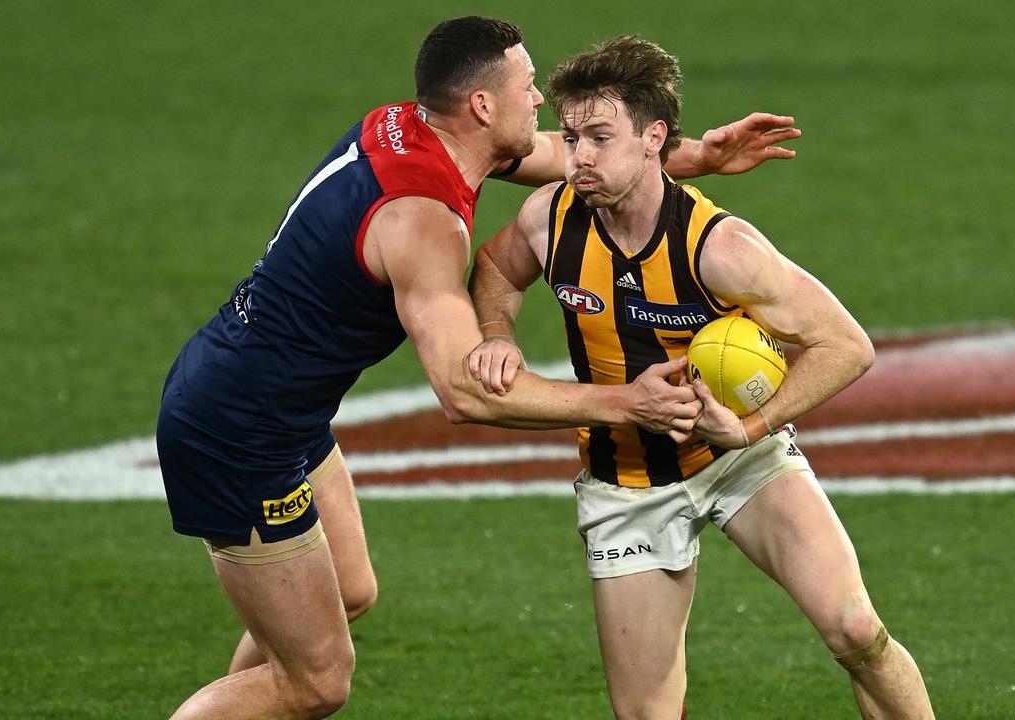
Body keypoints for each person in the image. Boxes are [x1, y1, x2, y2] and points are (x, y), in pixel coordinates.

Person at [155, 16, 800, 720]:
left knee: (347, 593)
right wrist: (624, 404)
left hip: (271, 404)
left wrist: (694, 154)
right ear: (483, 107)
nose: (541, 102)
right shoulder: (426, 221)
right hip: (238, 433)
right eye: (528, 87)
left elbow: (555, 155)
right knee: (315, 681)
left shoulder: (409, 126)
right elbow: (465, 393)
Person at [468, 35, 935, 719]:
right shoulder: (552, 217)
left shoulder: (720, 248)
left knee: (856, 630)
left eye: (599, 136)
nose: (579, 156)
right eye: (569, 136)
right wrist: (496, 334)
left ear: (654, 137)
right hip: (627, 488)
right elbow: (495, 271)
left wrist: (746, 427)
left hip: (742, 462)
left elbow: (846, 345)